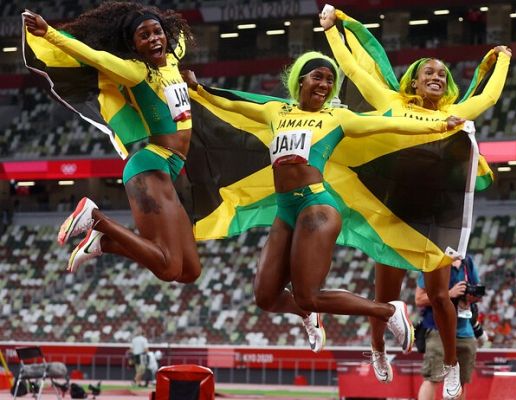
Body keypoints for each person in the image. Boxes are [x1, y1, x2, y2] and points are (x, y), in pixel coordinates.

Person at [182, 52, 465, 354]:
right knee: (265, 297)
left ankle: (388, 312)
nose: (325, 85)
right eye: (318, 77)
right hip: (285, 210)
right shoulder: (276, 111)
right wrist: (199, 90)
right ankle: (307, 312)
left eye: (330, 80)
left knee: (309, 295)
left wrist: (439, 126)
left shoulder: (337, 118)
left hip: (316, 206)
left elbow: (390, 125)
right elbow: (235, 103)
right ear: (300, 79)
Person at [319, 8, 510, 393]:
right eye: (429, 73)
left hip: (433, 219)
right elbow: (355, 69)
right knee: (384, 298)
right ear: (414, 82)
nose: (437, 78)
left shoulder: (456, 113)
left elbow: (489, 96)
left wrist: (502, 59)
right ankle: (376, 349)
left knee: (441, 296)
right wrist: (331, 31)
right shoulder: (391, 101)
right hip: (393, 212)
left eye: (442, 75)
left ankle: (452, 366)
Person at [23, 4, 201, 283]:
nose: (154, 38)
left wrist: (191, 83)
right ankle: (95, 218)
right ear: (134, 45)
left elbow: (178, 45)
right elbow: (95, 58)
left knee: (189, 271)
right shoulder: (136, 71)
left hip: (170, 167)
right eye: (144, 35)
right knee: (167, 268)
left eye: (157, 32)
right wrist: (50, 34)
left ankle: (102, 243)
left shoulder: (173, 60)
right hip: (150, 166)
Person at [415, 256, 483, 400]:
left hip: (465, 330)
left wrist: (470, 296)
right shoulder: (434, 260)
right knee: (433, 377)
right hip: (438, 329)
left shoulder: (468, 262)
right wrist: (449, 294)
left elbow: (478, 292)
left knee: (460, 382)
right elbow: (419, 299)